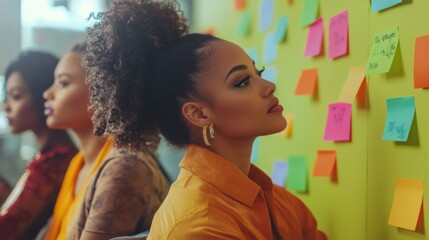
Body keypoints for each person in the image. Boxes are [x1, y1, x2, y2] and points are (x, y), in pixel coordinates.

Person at [83, 0, 328, 239]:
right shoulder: (197, 227)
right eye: (242, 82)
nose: (269, 86)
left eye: (258, 72)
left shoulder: (278, 201)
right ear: (198, 114)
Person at [43, 43, 169, 240]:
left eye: (64, 83)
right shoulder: (78, 163)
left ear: (104, 92)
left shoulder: (124, 168)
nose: (48, 93)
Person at [0, 51, 78, 240]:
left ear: (42, 95)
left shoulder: (53, 163)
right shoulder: (53, 156)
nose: (5, 106)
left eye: (16, 96)